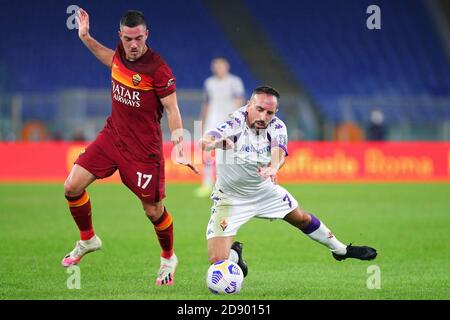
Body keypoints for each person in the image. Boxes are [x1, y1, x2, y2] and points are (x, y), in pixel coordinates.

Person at [61, 8, 198, 286]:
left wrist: (180, 144)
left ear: (146, 34)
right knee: (72, 186)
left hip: (143, 151)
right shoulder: (120, 54)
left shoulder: (158, 69)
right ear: (120, 36)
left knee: (153, 211)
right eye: (127, 39)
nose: (133, 45)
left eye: (137, 38)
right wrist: (85, 37)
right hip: (112, 137)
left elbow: (172, 109)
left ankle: (168, 257)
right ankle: (88, 239)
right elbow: (109, 59)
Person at [200, 85, 377, 278]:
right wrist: (216, 143)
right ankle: (235, 256)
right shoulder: (235, 121)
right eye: (259, 109)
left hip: (263, 190)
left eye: (269, 112)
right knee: (217, 260)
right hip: (230, 198)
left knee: (301, 218)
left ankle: (341, 250)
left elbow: (279, 153)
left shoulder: (277, 126)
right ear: (249, 105)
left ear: (275, 112)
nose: (263, 116)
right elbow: (207, 140)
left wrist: (273, 168)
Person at [196, 58, 245, 197]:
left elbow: (239, 100)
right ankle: (207, 183)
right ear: (213, 68)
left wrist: (236, 118)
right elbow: (206, 103)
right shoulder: (209, 83)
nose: (219, 68)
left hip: (229, 119)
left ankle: (230, 183)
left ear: (227, 67)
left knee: (230, 152)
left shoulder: (235, 81)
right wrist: (202, 121)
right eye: (216, 66)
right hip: (213, 119)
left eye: (221, 66)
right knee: (206, 150)